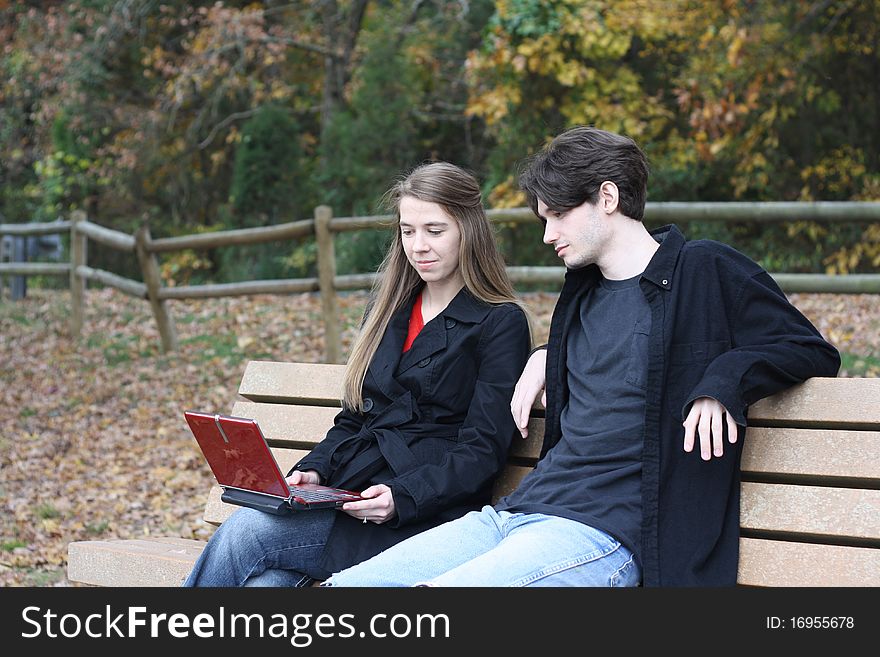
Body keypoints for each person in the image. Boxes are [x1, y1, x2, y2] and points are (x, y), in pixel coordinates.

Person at [322, 126, 841, 587]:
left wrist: (721, 383)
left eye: (558, 216)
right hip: (518, 513)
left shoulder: (702, 270)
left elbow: (808, 348)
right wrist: (551, 351)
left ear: (607, 197)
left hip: (606, 532)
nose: (548, 234)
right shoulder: (582, 292)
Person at [183, 161, 531, 587]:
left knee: (246, 534)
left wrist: (401, 498)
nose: (418, 245)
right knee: (264, 585)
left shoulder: (498, 322)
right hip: (351, 496)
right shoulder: (388, 308)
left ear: (468, 230)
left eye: (435, 231)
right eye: (408, 231)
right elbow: (354, 418)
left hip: (421, 517)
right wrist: (313, 472)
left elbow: (482, 451)